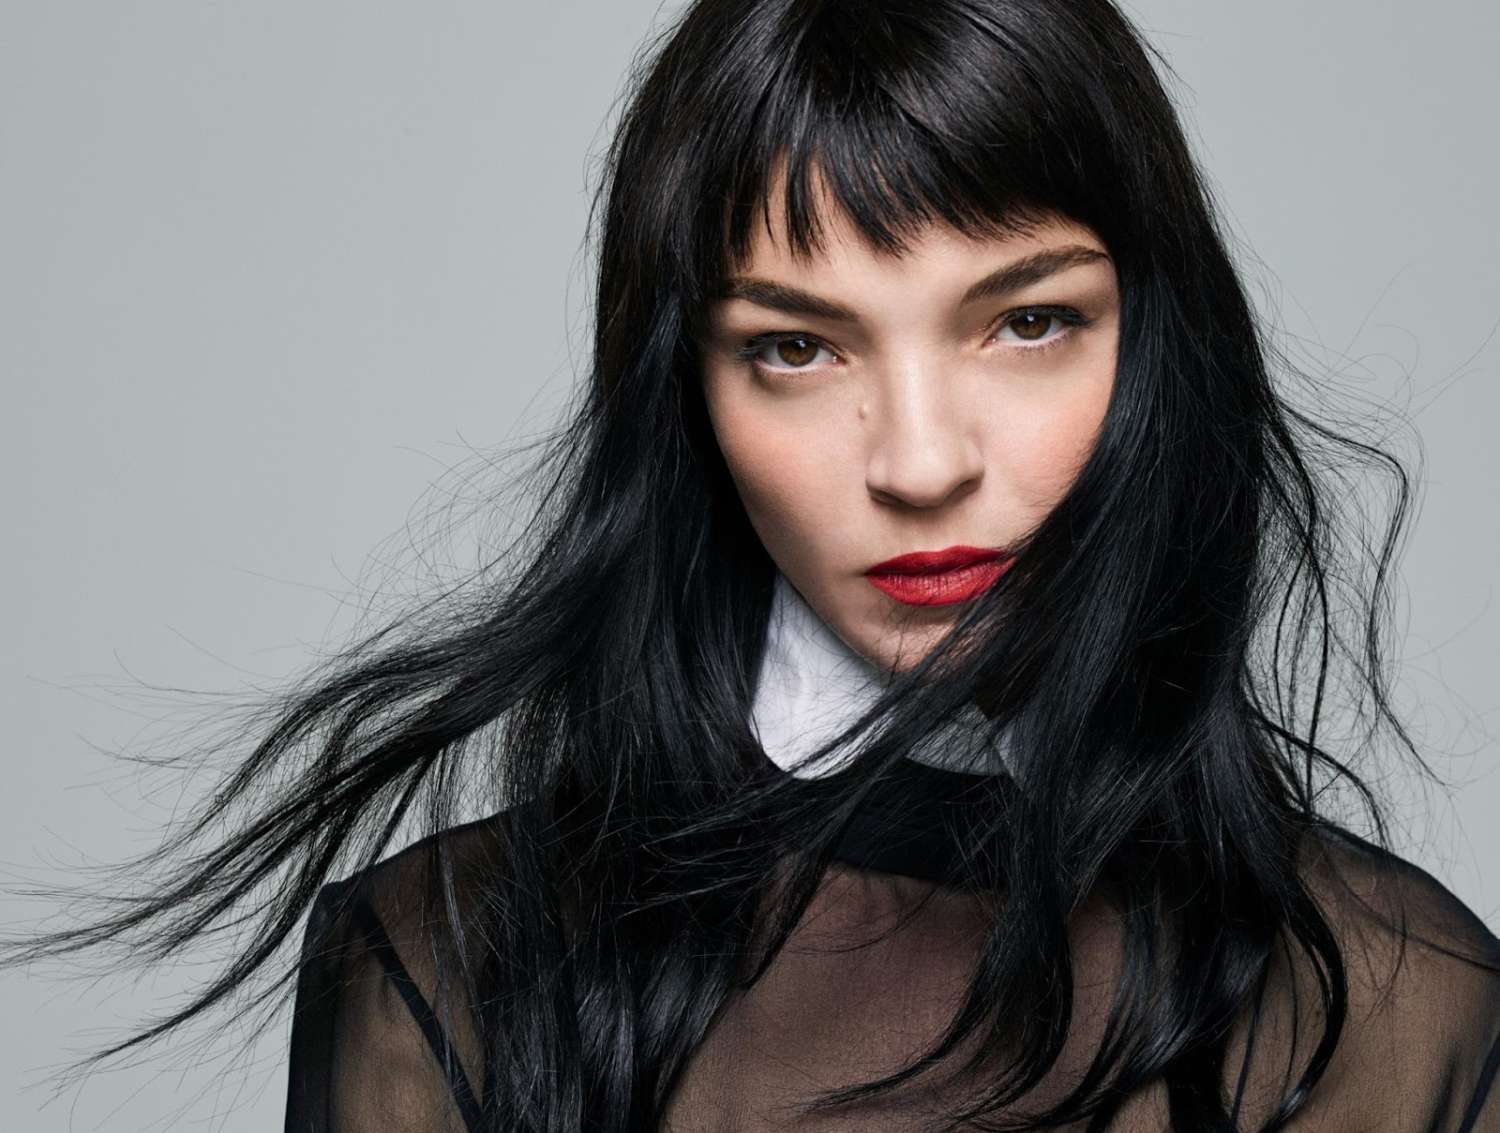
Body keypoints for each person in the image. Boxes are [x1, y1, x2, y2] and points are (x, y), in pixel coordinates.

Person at [7, 1, 1499, 1130]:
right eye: (797, 346)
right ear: (692, 402)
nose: (920, 461)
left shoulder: (1401, 1007)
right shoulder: (447, 972)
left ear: (1158, 350)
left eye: (1027, 321)